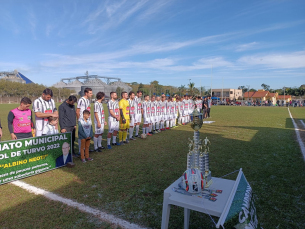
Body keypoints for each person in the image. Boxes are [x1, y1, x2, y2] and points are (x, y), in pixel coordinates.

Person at [76, 88, 93, 154]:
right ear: (86, 93)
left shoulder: (88, 100)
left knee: (87, 133)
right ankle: (81, 151)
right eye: (90, 93)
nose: (91, 94)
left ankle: (86, 149)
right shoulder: (81, 100)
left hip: (88, 120)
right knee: (82, 135)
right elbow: (77, 111)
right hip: (82, 120)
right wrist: (79, 120)